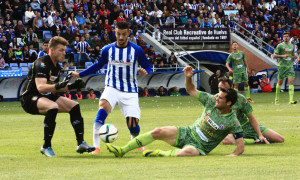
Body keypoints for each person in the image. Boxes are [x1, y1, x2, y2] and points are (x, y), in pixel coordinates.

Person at [106, 66, 244, 157]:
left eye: (220, 99)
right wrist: (188, 77)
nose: (216, 99)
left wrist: (232, 155)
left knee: (187, 152)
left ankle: (161, 153)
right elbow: (191, 90)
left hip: (200, 147)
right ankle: (122, 150)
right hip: (187, 132)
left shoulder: (232, 121)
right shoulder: (211, 100)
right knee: (157, 131)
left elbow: (240, 147)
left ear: (229, 103)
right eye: (217, 96)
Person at [71, 21, 152, 154]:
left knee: (132, 124)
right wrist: (80, 75)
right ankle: (96, 147)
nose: (121, 37)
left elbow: (147, 65)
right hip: (112, 87)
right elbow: (97, 65)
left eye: (124, 34)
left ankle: (136, 139)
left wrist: (145, 71)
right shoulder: (107, 49)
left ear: (128, 34)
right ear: (115, 32)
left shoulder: (136, 50)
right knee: (102, 108)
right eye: (118, 34)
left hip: (130, 90)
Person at [20, 36, 95, 157]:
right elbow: (41, 87)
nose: (64, 53)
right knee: (52, 106)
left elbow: (55, 87)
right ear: (52, 50)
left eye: (64, 50)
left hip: (46, 96)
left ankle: (81, 143)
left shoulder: (57, 67)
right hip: (30, 97)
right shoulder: (42, 63)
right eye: (61, 50)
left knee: (74, 105)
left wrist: (71, 86)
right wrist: (60, 85)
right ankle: (46, 146)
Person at [219, 77, 284, 144]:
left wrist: (260, 134)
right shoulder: (215, 100)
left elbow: (251, 117)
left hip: (245, 126)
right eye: (220, 89)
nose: (221, 91)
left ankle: (259, 138)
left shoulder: (240, 98)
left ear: (231, 88)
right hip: (231, 130)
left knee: (280, 139)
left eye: (224, 89)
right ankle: (255, 141)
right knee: (228, 141)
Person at [273, 32, 300, 104]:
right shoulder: (280, 46)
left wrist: (297, 57)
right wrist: (282, 56)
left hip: (290, 66)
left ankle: (291, 100)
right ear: (282, 38)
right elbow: (274, 55)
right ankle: (277, 99)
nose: (286, 38)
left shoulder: (292, 45)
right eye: (284, 36)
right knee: (280, 82)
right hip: (282, 66)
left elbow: (292, 54)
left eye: (287, 36)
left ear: (289, 37)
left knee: (291, 82)